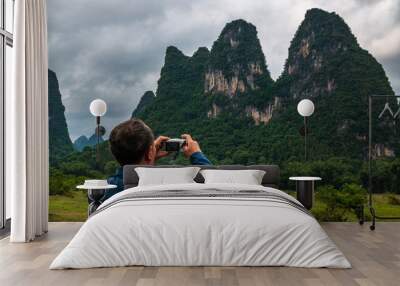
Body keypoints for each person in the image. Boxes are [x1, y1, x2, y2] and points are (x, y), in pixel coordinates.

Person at [104, 119, 211, 200]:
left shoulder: (106, 189)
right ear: (151, 151)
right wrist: (196, 154)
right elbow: (211, 185)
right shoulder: (167, 186)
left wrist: (149, 155)